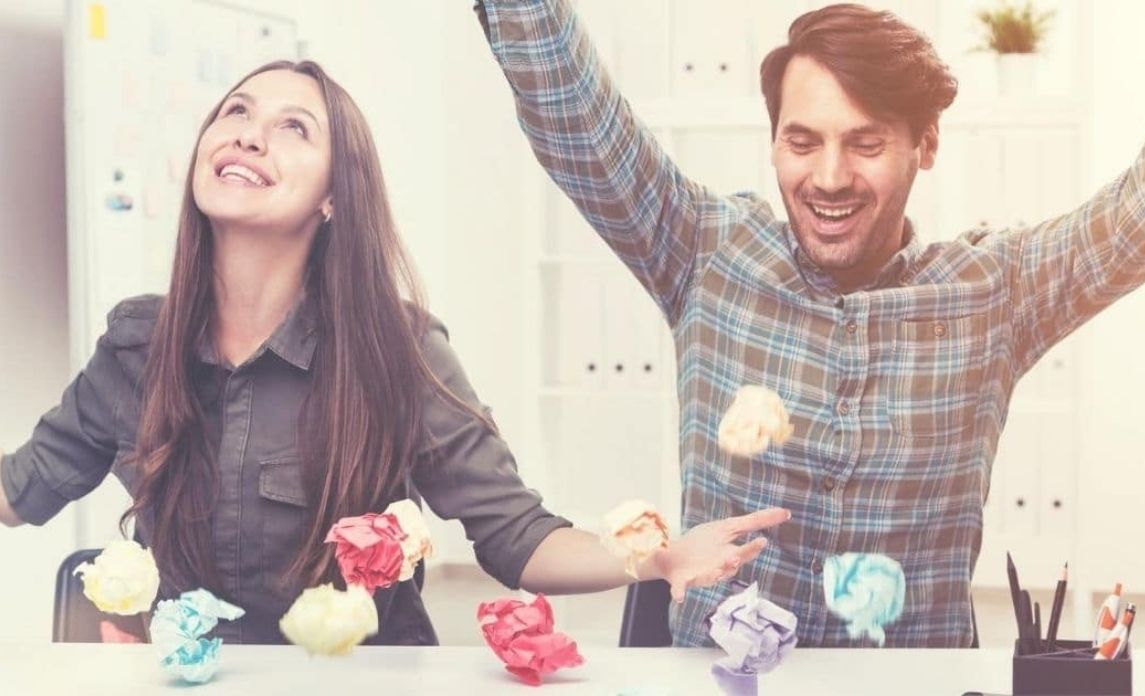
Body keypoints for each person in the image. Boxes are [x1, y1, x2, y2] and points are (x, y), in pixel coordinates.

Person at [0, 60, 790, 645]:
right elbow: (22, 487)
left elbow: (515, 536)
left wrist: (653, 562)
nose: (247, 130)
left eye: (292, 127)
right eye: (236, 111)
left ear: (335, 196)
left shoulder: (398, 351)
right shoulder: (136, 348)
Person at [474, 0, 1145, 647]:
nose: (829, 177)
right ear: (773, 142)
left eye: (865, 143)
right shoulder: (703, 251)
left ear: (925, 144)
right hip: (722, 676)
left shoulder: (996, 292)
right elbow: (573, 111)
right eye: (802, 141)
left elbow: (1131, 218)